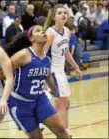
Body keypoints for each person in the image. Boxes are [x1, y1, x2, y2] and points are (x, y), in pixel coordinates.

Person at [0, 25, 70, 138]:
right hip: (20, 104)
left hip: (40, 99)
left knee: (61, 130)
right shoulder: (23, 55)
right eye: (38, 31)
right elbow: (4, 72)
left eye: (43, 30)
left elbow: (47, 77)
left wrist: (54, 90)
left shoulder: (47, 59)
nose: (43, 31)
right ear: (31, 38)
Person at [43, 4, 83, 135]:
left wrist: (76, 67)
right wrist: (44, 74)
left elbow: (66, 52)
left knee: (60, 104)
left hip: (61, 71)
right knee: (65, 102)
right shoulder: (50, 33)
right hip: (53, 70)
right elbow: (42, 54)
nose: (63, 15)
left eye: (65, 12)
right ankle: (65, 133)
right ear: (54, 17)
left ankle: (47, 122)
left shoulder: (66, 31)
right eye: (59, 13)